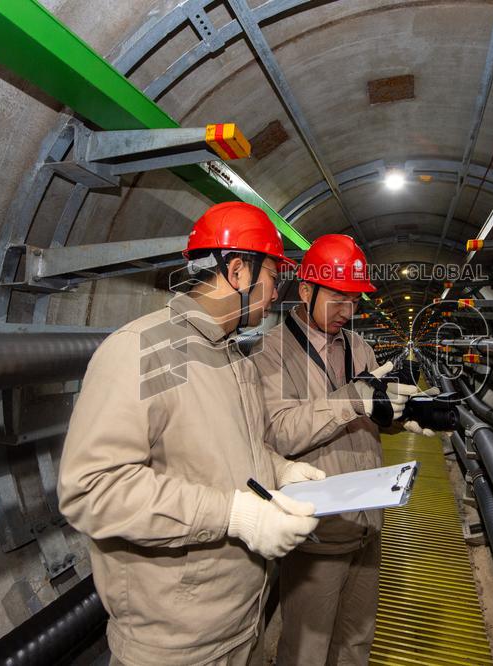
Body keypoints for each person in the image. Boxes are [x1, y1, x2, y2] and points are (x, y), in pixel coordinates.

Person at [57, 202, 325, 666]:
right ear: (238, 271)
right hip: (177, 645)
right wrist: (235, 515)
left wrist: (283, 471)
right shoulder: (144, 351)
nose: (276, 292)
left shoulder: (233, 356)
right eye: (273, 277)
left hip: (239, 621)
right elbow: (92, 489)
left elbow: (237, 451)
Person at [249, 234, 423, 665]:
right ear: (306, 291)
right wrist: (353, 400)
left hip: (369, 526)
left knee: (356, 641)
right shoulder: (273, 352)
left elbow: (364, 417)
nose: (349, 311)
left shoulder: (358, 347)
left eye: (355, 301)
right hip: (317, 533)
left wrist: (398, 416)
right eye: (339, 298)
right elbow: (278, 433)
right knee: (307, 648)